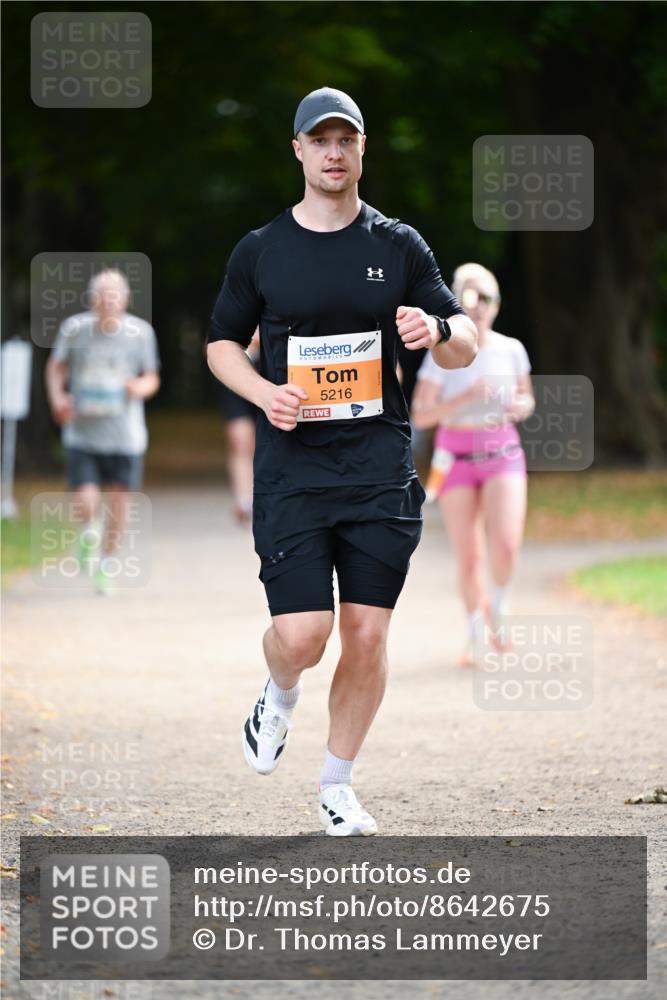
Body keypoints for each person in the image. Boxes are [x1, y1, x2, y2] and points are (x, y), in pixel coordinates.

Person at [207, 87, 477, 836]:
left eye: (345, 140)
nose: (333, 152)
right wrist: (265, 393)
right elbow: (221, 343)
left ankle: (336, 785)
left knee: (365, 633)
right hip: (293, 470)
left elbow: (463, 340)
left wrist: (434, 328)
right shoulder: (261, 249)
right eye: (319, 140)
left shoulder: (396, 246)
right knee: (303, 635)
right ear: (297, 150)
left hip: (378, 472)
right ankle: (278, 692)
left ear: (362, 150)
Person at [411, 263, 534, 664]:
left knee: (507, 545)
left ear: (498, 304)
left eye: (489, 298)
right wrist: (463, 399)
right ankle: (475, 632)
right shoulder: (442, 355)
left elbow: (527, 398)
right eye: (471, 297)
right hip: (456, 455)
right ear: (457, 301)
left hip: (502, 451)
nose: (481, 306)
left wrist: (519, 406)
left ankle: (497, 603)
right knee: (470, 554)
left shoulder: (511, 349)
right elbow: (421, 415)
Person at [45, 268, 160, 594]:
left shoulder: (140, 333)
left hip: (126, 436)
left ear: (124, 299)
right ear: (91, 299)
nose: (107, 301)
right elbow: (56, 367)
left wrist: (138, 387)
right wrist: (58, 398)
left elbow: (152, 378)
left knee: (119, 504)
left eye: (114, 295)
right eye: (101, 295)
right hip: (83, 431)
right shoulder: (75, 329)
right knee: (85, 500)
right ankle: (88, 533)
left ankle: (106, 564)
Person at [216, 329, 259, 522]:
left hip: (270, 377)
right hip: (237, 381)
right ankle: (244, 498)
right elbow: (213, 346)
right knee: (241, 440)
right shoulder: (232, 301)